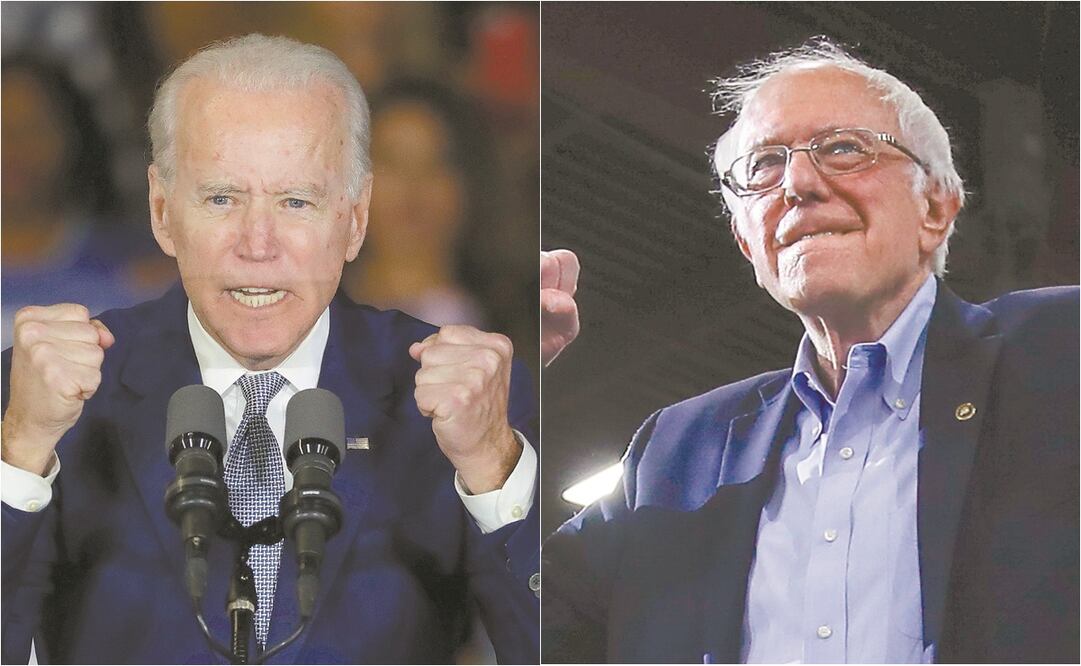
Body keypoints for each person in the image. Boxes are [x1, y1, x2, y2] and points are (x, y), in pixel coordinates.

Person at [1, 34, 538, 664]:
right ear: (162, 210)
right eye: (221, 198)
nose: (258, 244)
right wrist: (19, 454)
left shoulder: (469, 399)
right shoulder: (39, 391)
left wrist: (493, 472)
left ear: (355, 218)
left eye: (296, 201)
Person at [541, 39, 1078, 663]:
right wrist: (477, 413)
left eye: (844, 148)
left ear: (935, 206)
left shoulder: (1061, 349)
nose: (797, 184)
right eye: (764, 166)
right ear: (749, 243)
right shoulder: (677, 453)